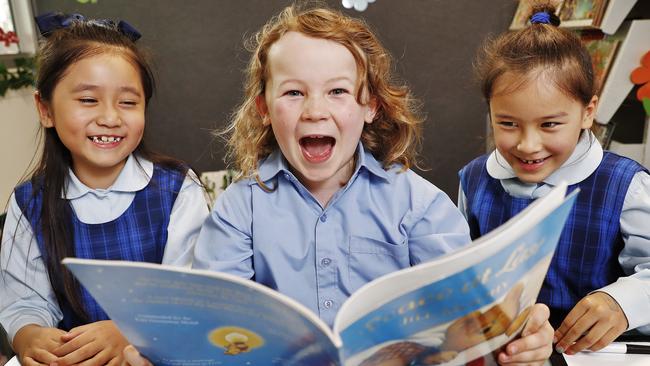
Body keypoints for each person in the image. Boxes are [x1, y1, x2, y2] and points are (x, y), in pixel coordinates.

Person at [182, 4, 552, 365]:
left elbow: (469, 320)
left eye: (338, 92)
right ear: (264, 108)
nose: (314, 110)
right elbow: (214, 328)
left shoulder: (419, 206)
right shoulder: (238, 209)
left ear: (370, 106)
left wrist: (520, 338)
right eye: (293, 92)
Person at [0, 12, 209, 366]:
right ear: (45, 108)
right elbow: (24, 300)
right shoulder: (30, 202)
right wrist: (30, 335)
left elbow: (190, 295)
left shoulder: (176, 189)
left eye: (128, 102)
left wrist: (132, 332)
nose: (110, 117)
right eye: (88, 100)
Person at [458, 0, 650, 356]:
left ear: (587, 112)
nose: (528, 145)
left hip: (592, 357)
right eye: (508, 124)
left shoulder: (625, 185)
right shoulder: (474, 180)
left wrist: (622, 303)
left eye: (549, 124)